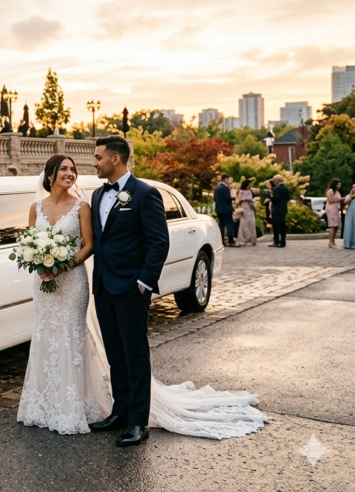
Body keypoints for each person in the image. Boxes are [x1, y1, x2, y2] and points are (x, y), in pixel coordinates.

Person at [17, 148, 267, 444]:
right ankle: (119, 412)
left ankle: (138, 422)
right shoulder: (96, 196)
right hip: (102, 287)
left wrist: (144, 283)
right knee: (114, 354)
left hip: (130, 287)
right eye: (69, 168)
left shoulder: (144, 194)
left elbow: (158, 242)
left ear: (115, 159)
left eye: (97, 158)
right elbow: (96, 241)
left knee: (135, 354)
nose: (91, 164)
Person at [213, 174, 237, 247]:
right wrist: (233, 198)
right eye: (228, 180)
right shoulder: (225, 188)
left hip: (219, 209)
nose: (228, 181)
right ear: (225, 179)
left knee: (221, 225)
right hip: (226, 209)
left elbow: (214, 198)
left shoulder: (217, 188)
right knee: (229, 225)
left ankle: (222, 241)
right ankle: (231, 240)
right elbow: (227, 198)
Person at [269, 174, 290, 248]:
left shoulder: (277, 188)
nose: (274, 182)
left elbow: (275, 198)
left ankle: (277, 241)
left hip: (276, 209)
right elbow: (288, 198)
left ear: (277, 181)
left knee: (276, 226)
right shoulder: (286, 188)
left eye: (274, 180)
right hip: (283, 209)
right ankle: (283, 241)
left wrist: (270, 197)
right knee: (282, 226)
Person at [236, 180, 258, 246]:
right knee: (244, 223)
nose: (250, 186)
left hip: (250, 208)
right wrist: (247, 198)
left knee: (251, 222)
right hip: (245, 207)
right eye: (249, 184)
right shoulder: (241, 191)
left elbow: (251, 198)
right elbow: (240, 199)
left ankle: (252, 239)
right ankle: (243, 239)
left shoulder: (250, 191)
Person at [326, 178, 343, 248]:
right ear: (335, 184)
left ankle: (333, 241)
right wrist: (341, 199)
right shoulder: (330, 191)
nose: (340, 185)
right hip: (331, 209)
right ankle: (330, 242)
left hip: (336, 209)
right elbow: (330, 200)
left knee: (336, 225)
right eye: (339, 184)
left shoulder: (337, 192)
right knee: (332, 225)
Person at [343, 184, 355, 249]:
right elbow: (345, 201)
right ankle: (348, 243)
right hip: (351, 214)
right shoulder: (349, 196)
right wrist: (351, 195)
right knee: (350, 226)